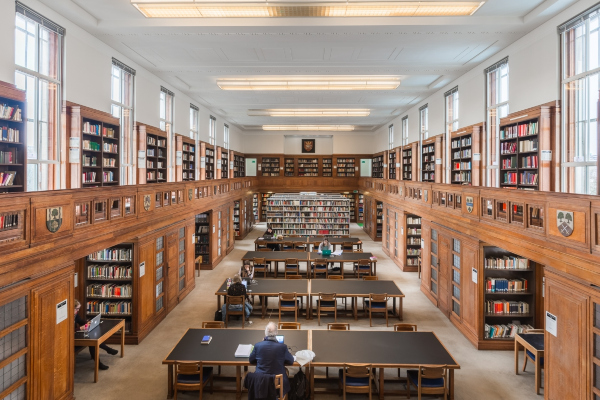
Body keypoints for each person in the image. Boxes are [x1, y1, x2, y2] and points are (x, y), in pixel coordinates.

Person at [249, 322, 295, 396]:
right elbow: (291, 361)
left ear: (265, 333)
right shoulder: (282, 347)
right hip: (278, 386)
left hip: (261, 384)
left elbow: (251, 360)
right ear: (276, 333)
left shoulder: (258, 346)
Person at [74, 299, 118, 370]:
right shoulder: (68, 317)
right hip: (71, 339)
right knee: (92, 342)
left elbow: (80, 320)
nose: (78, 310)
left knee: (93, 339)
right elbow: (68, 331)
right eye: (77, 309)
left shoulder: (75, 314)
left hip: (76, 335)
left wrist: (87, 323)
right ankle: (105, 354)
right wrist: (80, 328)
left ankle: (103, 356)